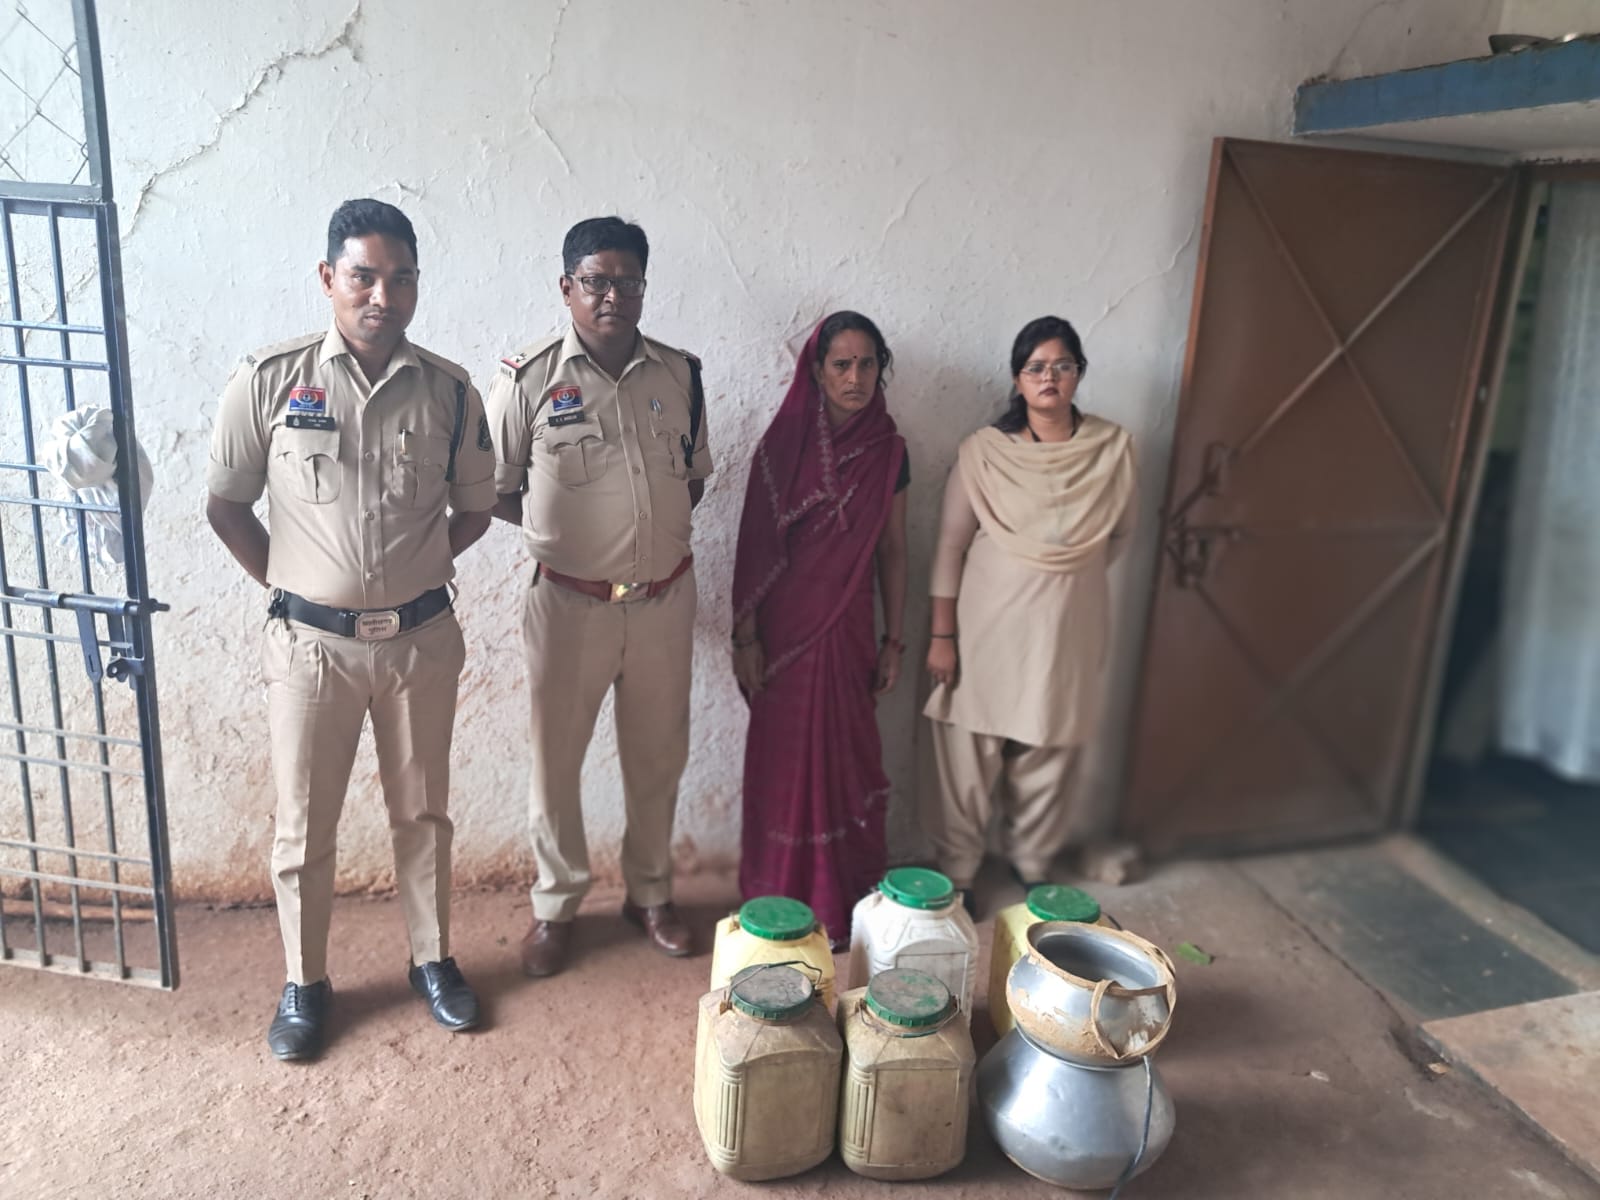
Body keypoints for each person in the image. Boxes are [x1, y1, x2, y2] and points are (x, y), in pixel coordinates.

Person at [205, 199, 496, 1061]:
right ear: (328, 277)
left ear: (416, 286)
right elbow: (226, 507)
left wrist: (414, 570)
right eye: (364, 276)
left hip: (418, 642)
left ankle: (432, 960)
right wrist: (296, 589)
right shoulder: (269, 381)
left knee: (424, 815)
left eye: (400, 279)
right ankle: (305, 983)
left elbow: (476, 510)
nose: (382, 296)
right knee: (304, 827)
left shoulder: (450, 390)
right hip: (311, 652)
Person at [484, 216, 712, 978]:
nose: (612, 295)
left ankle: (650, 895)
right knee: (556, 763)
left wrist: (645, 545)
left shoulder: (680, 375)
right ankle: (556, 906)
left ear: (644, 287)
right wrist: (565, 541)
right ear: (567, 287)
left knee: (658, 757)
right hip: (568, 606)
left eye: (627, 281)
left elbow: (693, 480)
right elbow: (495, 490)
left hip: (662, 603)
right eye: (595, 281)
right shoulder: (528, 380)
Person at [922, 315, 1136, 914]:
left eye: (1062, 365)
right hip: (985, 628)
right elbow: (950, 546)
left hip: (1069, 626)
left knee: (1052, 741)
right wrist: (942, 635)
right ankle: (959, 868)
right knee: (969, 748)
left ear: (1079, 373)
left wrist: (1061, 575)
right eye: (1036, 367)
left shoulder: (1112, 450)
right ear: (1017, 378)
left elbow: (1119, 536)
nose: (1049, 377)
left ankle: (1033, 862)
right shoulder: (985, 452)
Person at [731, 312, 909, 948]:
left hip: (850, 632)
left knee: (848, 761)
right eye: (842, 364)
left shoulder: (889, 451)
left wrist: (894, 640)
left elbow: (893, 549)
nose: (855, 377)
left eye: (867, 364)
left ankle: (845, 898)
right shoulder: (783, 447)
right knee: (784, 765)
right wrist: (745, 638)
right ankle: (777, 894)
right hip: (784, 639)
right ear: (817, 370)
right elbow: (754, 547)